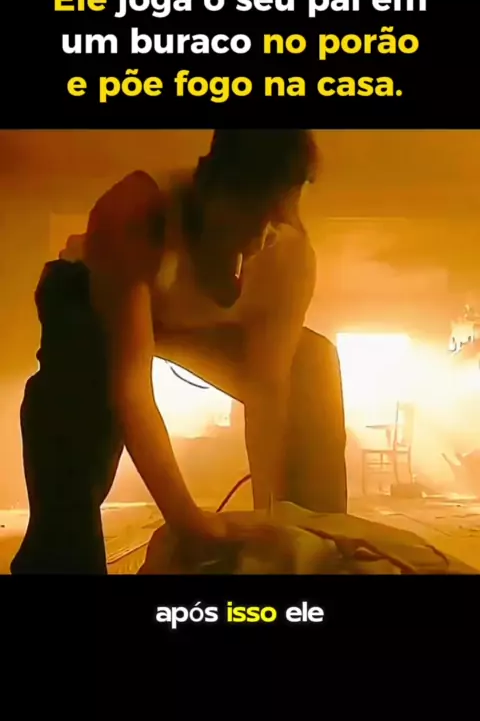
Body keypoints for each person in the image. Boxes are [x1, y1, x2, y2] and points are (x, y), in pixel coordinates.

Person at [11, 130, 347, 575]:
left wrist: (272, 525)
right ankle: (61, 559)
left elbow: (268, 392)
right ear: (209, 189)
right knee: (79, 401)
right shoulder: (132, 215)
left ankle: (321, 543)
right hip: (94, 298)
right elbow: (131, 389)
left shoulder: (289, 253)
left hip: (188, 322)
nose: (259, 237)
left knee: (311, 363)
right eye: (246, 217)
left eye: (276, 214)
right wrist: (189, 521)